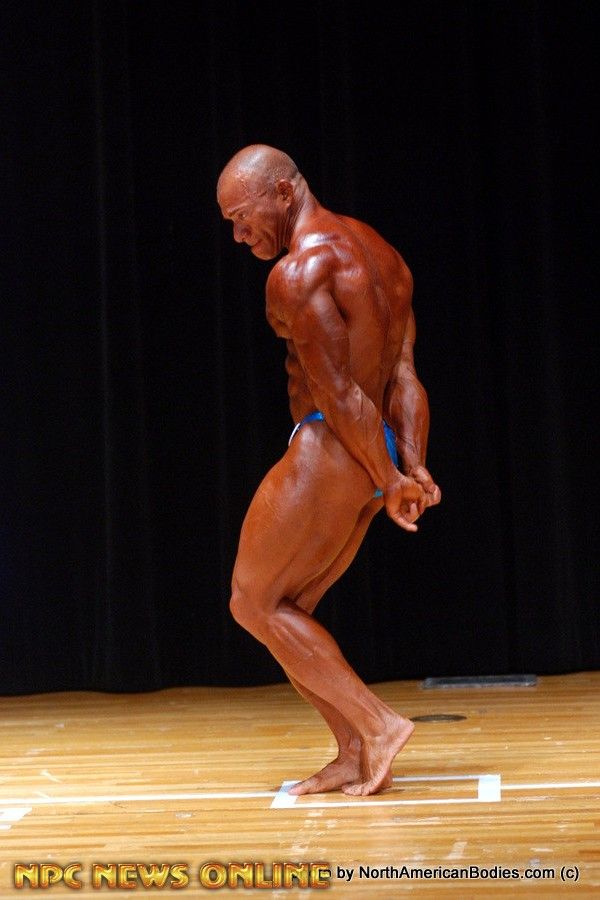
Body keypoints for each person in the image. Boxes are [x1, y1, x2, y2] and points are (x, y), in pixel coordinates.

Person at [217, 145, 441, 796]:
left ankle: (378, 725)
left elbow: (339, 392)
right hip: (375, 451)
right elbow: (404, 375)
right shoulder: (385, 257)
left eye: (242, 216)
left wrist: (392, 477)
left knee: (251, 602)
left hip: (332, 449)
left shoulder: (299, 271)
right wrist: (410, 464)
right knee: (289, 614)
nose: (239, 235)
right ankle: (351, 750)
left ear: (283, 193)